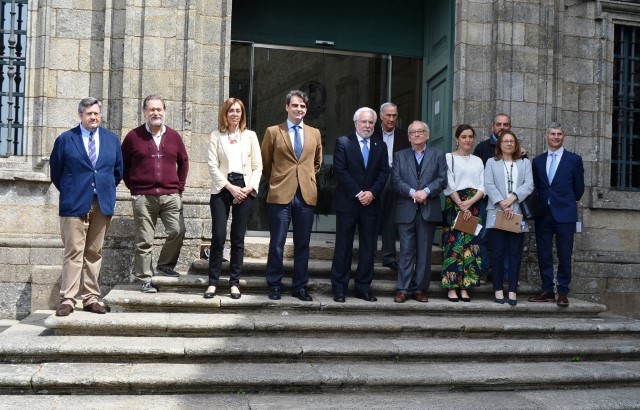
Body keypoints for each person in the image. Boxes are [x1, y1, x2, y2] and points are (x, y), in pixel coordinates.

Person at [49, 97, 123, 316]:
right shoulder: (66, 139)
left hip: (102, 203)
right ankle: (69, 299)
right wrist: (73, 191)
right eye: (90, 113)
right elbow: (56, 173)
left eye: (97, 113)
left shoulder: (111, 140)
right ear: (81, 115)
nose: (94, 117)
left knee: (94, 252)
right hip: (74, 203)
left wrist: (103, 188)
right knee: (73, 252)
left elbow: (117, 172)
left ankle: (91, 298)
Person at [121, 95, 189, 293]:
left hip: (170, 194)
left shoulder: (174, 136)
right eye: (151, 109)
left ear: (164, 111)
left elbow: (184, 162)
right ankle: (145, 279)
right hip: (143, 196)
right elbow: (123, 165)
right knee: (144, 240)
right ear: (144, 112)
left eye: (159, 109)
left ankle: (165, 265)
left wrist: (179, 187)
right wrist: (134, 187)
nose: (155, 113)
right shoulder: (133, 137)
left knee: (178, 230)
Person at [261, 90, 323, 302]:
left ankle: (299, 287)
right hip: (280, 193)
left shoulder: (314, 133)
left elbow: (317, 163)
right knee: (277, 243)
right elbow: (265, 163)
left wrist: (305, 178)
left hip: (305, 194)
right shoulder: (273, 131)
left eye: (303, 106)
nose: (299, 109)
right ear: (287, 107)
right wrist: (278, 179)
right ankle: (275, 284)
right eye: (295, 105)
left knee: (303, 244)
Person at [204, 98, 262, 300]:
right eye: (231, 111)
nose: (234, 114)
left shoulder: (251, 136)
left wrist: (247, 189)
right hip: (222, 187)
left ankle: (234, 283)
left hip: (245, 187)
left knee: (238, 238)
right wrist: (230, 188)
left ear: (242, 114)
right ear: (225, 114)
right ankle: (213, 282)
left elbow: (258, 166)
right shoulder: (215, 136)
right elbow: (212, 166)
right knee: (218, 236)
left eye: (238, 111)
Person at [330, 107, 390, 303]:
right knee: (343, 247)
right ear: (355, 123)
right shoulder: (343, 142)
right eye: (364, 122)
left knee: (368, 248)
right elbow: (341, 170)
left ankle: (363, 287)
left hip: (370, 204)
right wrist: (359, 193)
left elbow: (383, 173)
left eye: (371, 122)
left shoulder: (380, 145)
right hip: (348, 203)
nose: (367, 125)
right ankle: (339, 288)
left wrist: (372, 193)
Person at [529, 122, 584, 307]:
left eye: (559, 134)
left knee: (564, 254)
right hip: (543, 213)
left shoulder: (574, 160)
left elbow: (579, 188)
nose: (555, 137)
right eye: (552, 134)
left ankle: (562, 291)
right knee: (544, 253)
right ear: (546, 136)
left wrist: (566, 201)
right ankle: (547, 289)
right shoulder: (538, 161)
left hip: (565, 214)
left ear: (563, 137)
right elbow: (536, 186)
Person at [391, 121, 447, 303]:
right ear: (408, 137)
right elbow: (396, 180)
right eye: (413, 132)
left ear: (427, 135)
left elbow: (442, 179)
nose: (416, 135)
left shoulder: (438, 155)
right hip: (406, 208)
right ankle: (403, 289)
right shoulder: (399, 156)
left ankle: (420, 289)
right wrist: (413, 192)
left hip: (428, 209)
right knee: (406, 251)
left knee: (424, 252)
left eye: (420, 131)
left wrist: (426, 192)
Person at [484, 130, 534, 306]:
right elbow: (488, 184)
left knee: (515, 253)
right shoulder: (491, 162)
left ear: (516, 144)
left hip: (517, 213)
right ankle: (498, 289)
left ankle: (512, 290)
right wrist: (502, 203)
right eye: (505, 141)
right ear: (500, 144)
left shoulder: (525, 163)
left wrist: (512, 200)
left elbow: (529, 184)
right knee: (497, 253)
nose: (509, 144)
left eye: (512, 141)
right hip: (497, 212)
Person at [441, 125, 485, 302]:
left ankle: (466, 286)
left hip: (473, 204)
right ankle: (452, 286)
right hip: (455, 203)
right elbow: (448, 182)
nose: (468, 140)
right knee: (454, 245)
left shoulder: (478, 160)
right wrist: (460, 203)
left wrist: (470, 202)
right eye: (464, 137)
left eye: (470, 137)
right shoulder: (449, 158)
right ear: (457, 139)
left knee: (471, 246)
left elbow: (483, 185)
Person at [473, 113, 512, 285]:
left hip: (510, 203)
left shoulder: (517, 150)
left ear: (509, 127)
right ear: (492, 127)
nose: (502, 127)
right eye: (498, 124)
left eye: (505, 124)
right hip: (485, 201)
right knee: (482, 236)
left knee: (507, 239)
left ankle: (505, 275)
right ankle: (483, 271)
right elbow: (478, 176)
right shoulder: (482, 148)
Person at [371, 102, 410, 271]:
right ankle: (369, 254)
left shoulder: (403, 135)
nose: (392, 119)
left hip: (395, 179)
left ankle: (388, 256)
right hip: (374, 179)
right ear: (381, 116)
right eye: (388, 115)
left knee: (391, 219)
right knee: (372, 217)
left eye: (394, 115)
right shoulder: (371, 132)